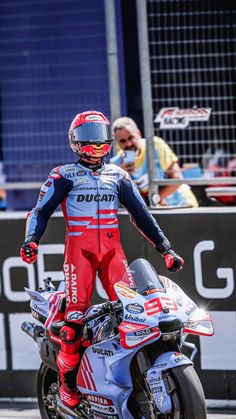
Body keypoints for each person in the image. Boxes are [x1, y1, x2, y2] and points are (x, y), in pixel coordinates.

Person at [20, 110, 184, 408]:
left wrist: (166, 248)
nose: (96, 147)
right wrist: (31, 240)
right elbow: (40, 211)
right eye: (88, 141)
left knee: (135, 315)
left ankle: (128, 379)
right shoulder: (63, 175)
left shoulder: (118, 175)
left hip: (112, 253)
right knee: (73, 323)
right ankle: (68, 385)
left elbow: (141, 215)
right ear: (75, 142)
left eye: (100, 141)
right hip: (79, 256)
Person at [111, 116, 198, 207]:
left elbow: (177, 179)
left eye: (131, 138)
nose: (128, 144)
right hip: (152, 213)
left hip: (181, 205)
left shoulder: (155, 145)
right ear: (117, 142)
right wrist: (121, 175)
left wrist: (152, 200)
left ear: (139, 134)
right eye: (123, 141)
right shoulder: (116, 164)